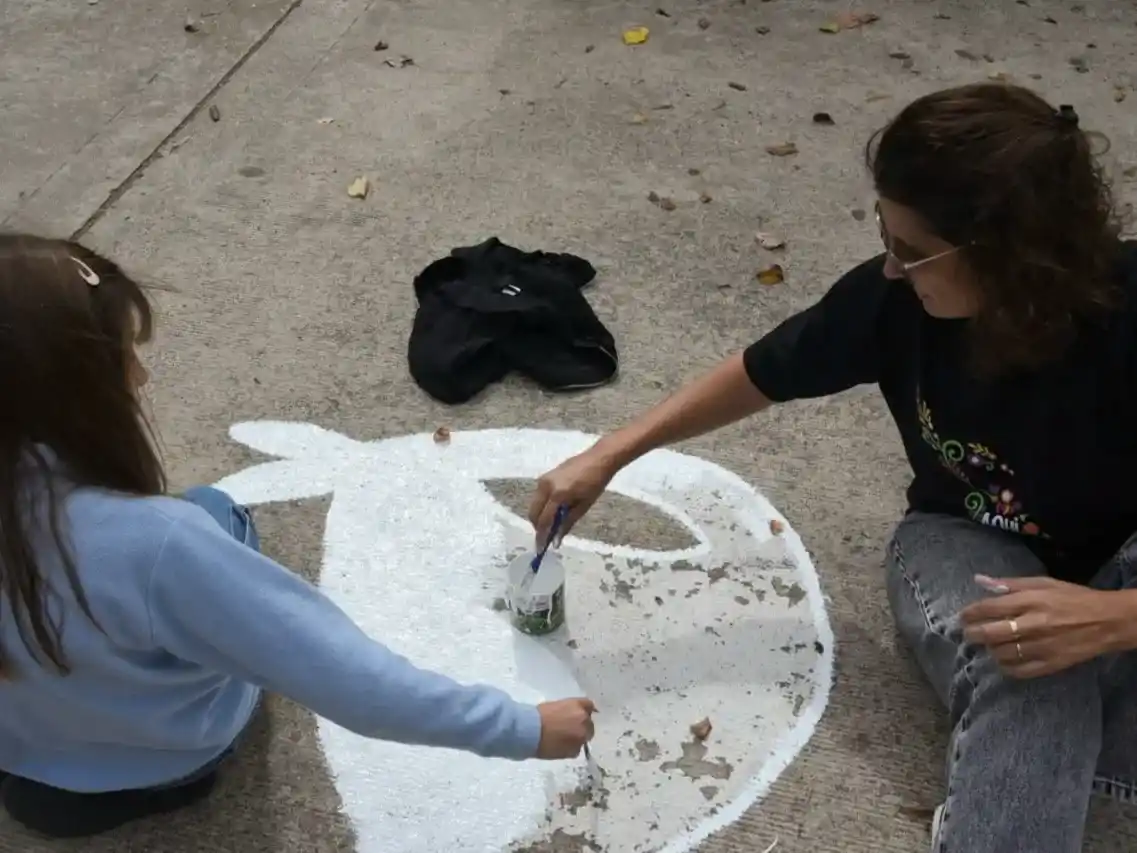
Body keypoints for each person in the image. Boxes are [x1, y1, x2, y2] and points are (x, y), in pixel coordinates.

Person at [528, 83, 1137, 853]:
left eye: (912, 251)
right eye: (884, 233)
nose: (891, 266)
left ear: (1008, 255)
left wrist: (1114, 617)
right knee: (1025, 655)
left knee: (1065, 663)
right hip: (963, 532)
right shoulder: (892, 302)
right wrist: (609, 453)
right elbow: (762, 371)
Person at [0, 234, 596, 839]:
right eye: (125, 356)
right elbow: (350, 681)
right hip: (163, 754)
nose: (142, 373)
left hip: (28, 752)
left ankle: (61, 778)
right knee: (219, 515)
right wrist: (525, 728)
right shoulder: (155, 545)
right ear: (72, 395)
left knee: (197, 521)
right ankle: (150, 779)